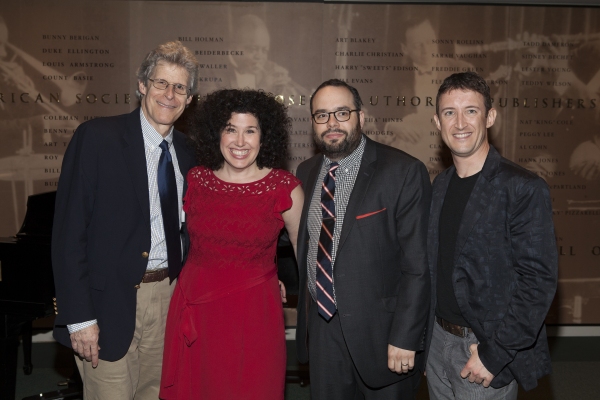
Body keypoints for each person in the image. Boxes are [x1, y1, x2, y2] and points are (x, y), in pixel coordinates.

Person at [52, 41, 199, 399]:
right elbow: (68, 235)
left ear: (190, 99)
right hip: (107, 305)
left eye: (180, 87)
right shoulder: (97, 138)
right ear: (142, 85)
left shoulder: (190, 152)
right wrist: (80, 318)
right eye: (160, 83)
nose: (169, 94)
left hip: (168, 301)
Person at [159, 89, 304, 399]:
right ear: (217, 134)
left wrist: (280, 281)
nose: (240, 141)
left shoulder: (285, 188)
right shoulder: (196, 180)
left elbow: (305, 258)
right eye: (231, 129)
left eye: (250, 130)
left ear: (264, 138)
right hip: (196, 308)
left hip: (254, 315)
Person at [295, 79, 432, 399]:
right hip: (323, 331)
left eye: (342, 113)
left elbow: (418, 266)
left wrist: (406, 336)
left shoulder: (402, 171)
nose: (332, 123)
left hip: (383, 335)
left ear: (362, 117)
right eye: (322, 115)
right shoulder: (306, 172)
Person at [425, 72, 558, 399]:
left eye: (471, 110)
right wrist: (427, 342)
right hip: (437, 341)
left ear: (490, 117)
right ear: (437, 122)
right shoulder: (439, 185)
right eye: (449, 112)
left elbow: (538, 283)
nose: (460, 123)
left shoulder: (522, 187)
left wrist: (494, 355)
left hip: (483, 348)